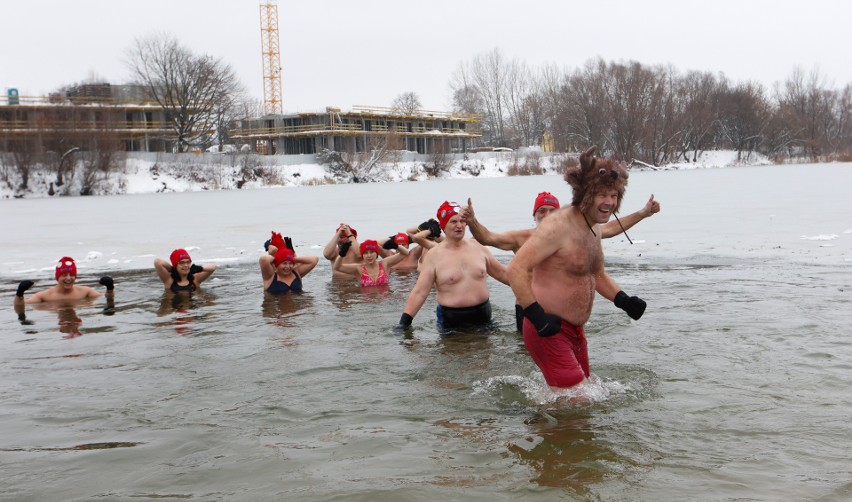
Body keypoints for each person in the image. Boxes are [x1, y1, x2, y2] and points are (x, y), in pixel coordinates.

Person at [507, 146, 647, 390]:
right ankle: (537, 421)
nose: (609, 202)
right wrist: (538, 317)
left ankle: (537, 419)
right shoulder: (557, 226)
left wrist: (623, 300)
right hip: (548, 329)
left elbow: (594, 274)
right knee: (576, 400)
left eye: (614, 196)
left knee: (581, 395)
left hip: (575, 331)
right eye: (602, 195)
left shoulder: (592, 227)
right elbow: (516, 269)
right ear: (585, 193)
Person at [463, 190, 660, 330]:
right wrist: (472, 222)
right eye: (542, 210)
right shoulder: (521, 238)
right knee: (526, 355)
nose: (547, 214)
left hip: (562, 309)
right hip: (530, 308)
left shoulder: (573, 235)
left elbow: (609, 229)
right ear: (534, 215)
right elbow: (487, 238)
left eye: (552, 210)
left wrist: (643, 213)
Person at [398, 201, 509, 332]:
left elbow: (502, 273)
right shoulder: (434, 255)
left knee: (485, 351)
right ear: (444, 226)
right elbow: (420, 292)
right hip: (451, 322)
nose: (459, 226)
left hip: (483, 317)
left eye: (462, 221)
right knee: (453, 351)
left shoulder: (478, 247)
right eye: (453, 222)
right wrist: (405, 322)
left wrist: (529, 288)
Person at [13, 256, 115, 320]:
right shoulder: (45, 295)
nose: (68, 278)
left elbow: (107, 298)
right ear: (57, 277)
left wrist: (109, 288)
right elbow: (20, 305)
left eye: (71, 275)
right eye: (64, 275)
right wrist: (20, 293)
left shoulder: (85, 291)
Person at [334, 238, 409, 287]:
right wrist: (341, 254)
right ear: (362, 255)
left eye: (372, 252)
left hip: (385, 303)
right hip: (367, 305)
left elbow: (405, 253)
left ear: (376, 253)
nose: (369, 255)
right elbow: (337, 267)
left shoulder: (384, 263)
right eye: (365, 253)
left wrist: (396, 246)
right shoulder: (358, 268)